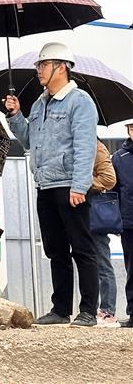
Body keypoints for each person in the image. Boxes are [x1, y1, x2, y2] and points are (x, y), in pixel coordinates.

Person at [5, 42, 99, 327]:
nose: (38, 70)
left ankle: (88, 311)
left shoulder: (79, 102)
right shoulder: (38, 104)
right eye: (39, 65)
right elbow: (28, 140)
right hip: (45, 186)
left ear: (61, 67)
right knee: (55, 250)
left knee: (82, 248)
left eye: (43, 65)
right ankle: (60, 309)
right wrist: (16, 116)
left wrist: (80, 186)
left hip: (70, 186)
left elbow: (85, 147)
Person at [90, 139, 117, 324]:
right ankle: (91, 309)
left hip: (93, 209)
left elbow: (109, 179)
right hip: (80, 209)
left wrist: (82, 182)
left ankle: (107, 310)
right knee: (89, 264)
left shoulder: (96, 147)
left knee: (103, 264)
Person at [111, 120, 133, 328]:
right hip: (129, 222)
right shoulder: (119, 157)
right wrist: (117, 219)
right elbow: (114, 190)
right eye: (131, 128)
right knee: (131, 269)